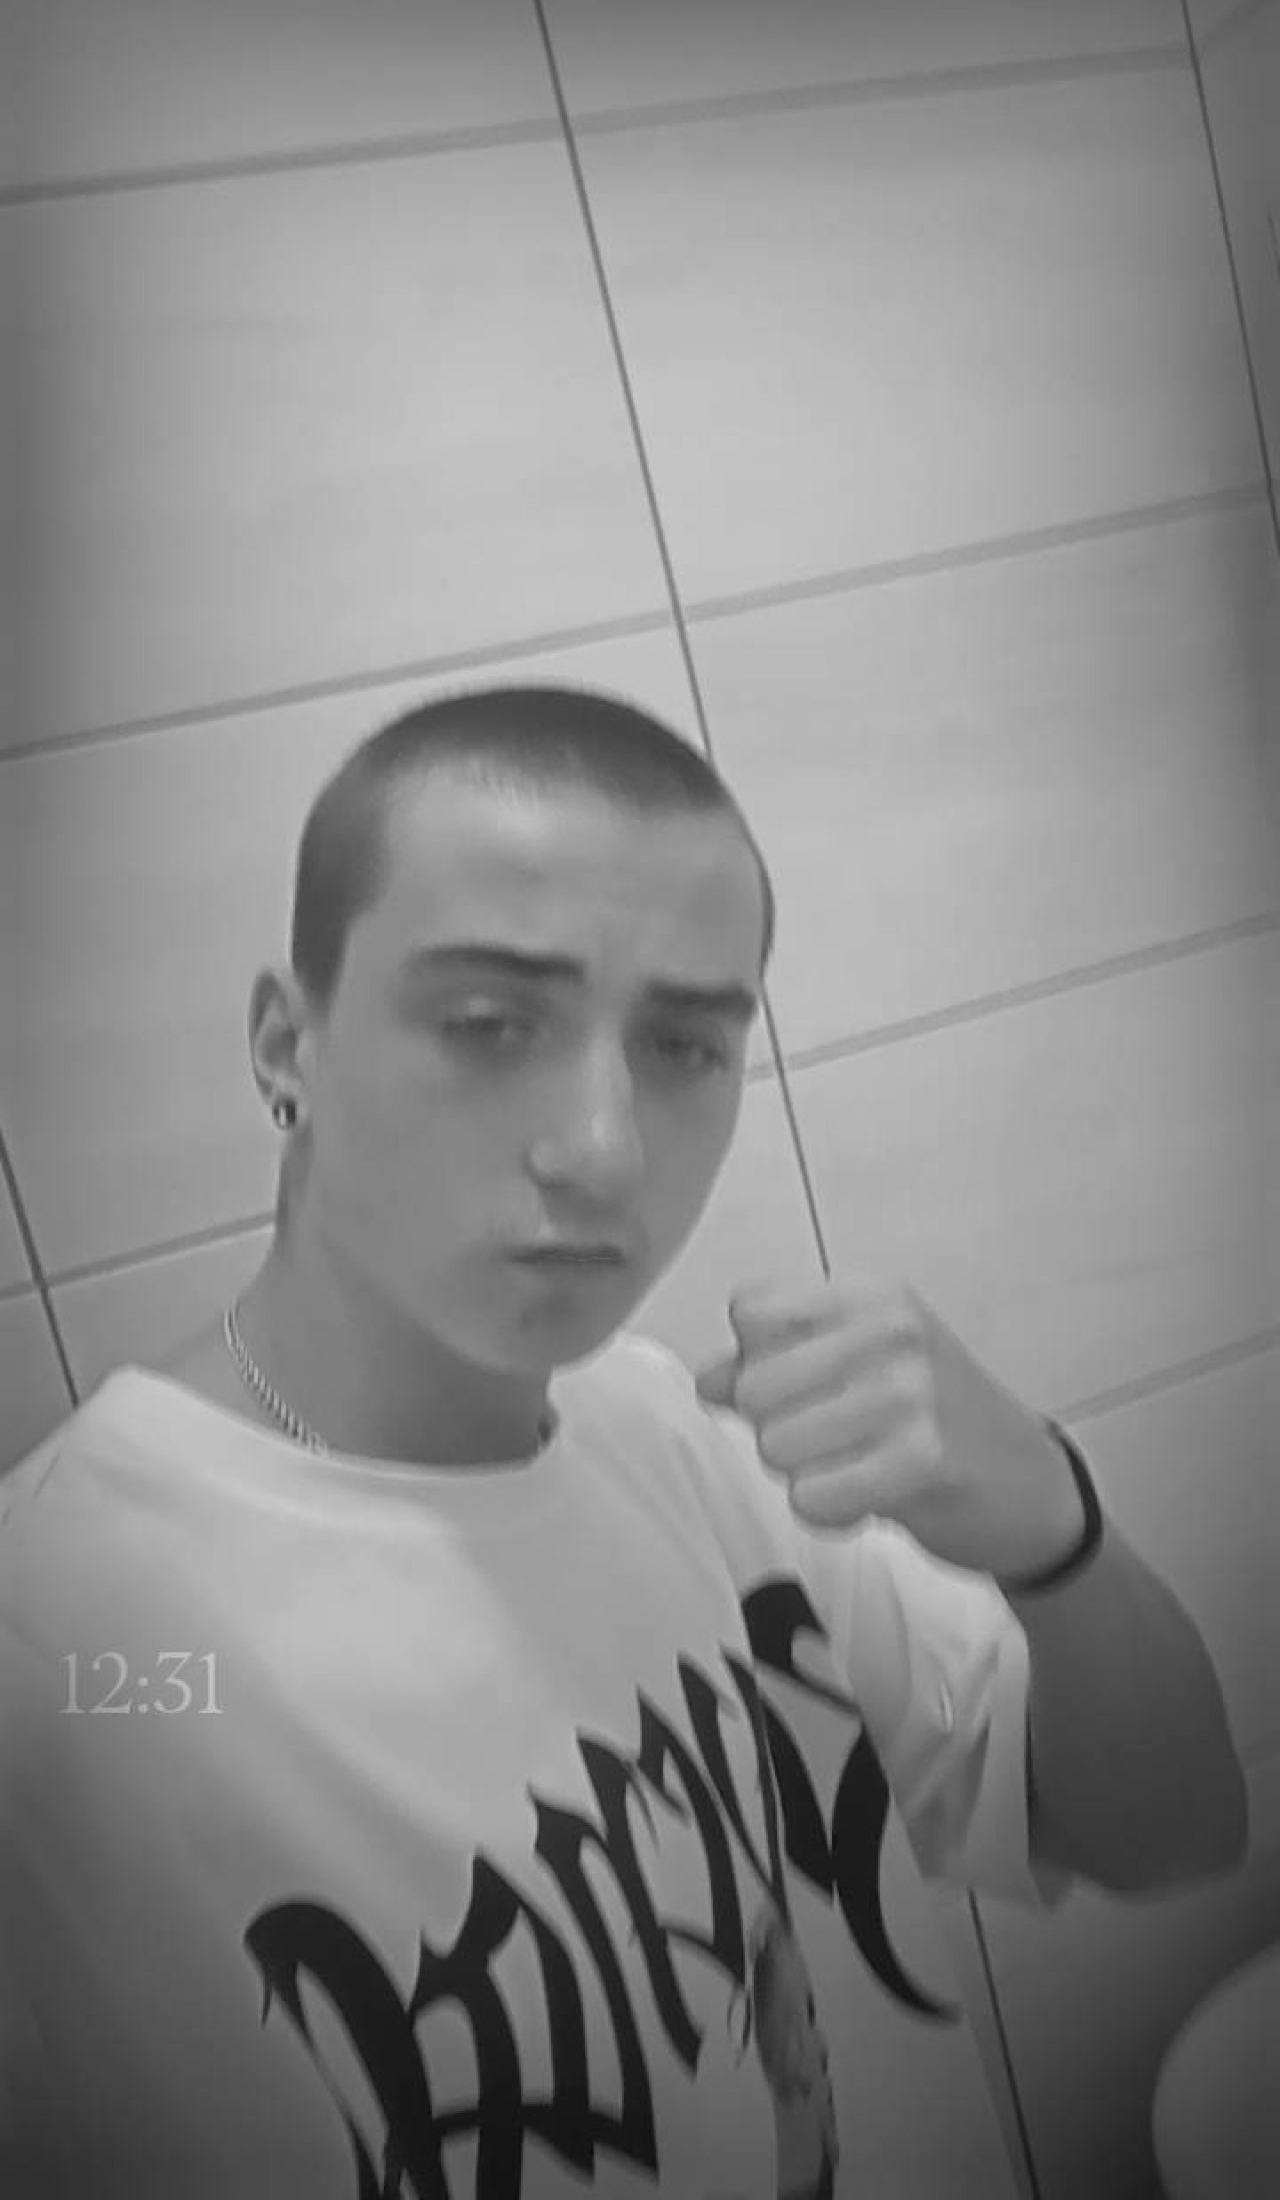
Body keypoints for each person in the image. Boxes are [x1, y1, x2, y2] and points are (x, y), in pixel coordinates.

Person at [0, 682, 1248, 2199]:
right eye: (488, 1025)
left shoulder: (697, 1443)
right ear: (287, 1045)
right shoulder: (72, 1653)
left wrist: (1056, 1536)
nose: (602, 1149)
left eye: (683, 1046)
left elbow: (1173, 1833)